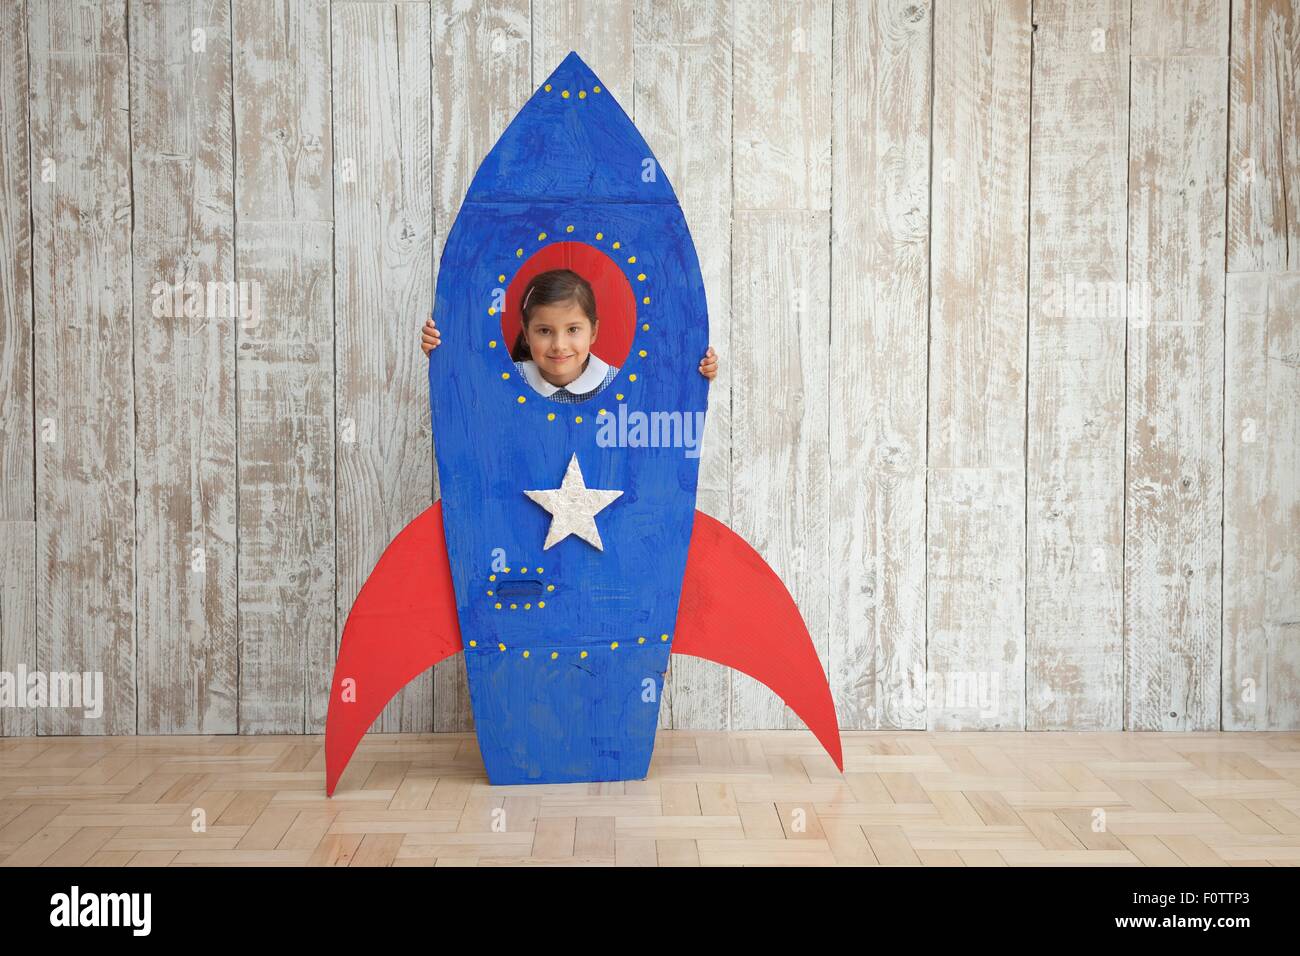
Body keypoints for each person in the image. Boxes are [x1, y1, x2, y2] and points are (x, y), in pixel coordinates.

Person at [421, 267, 718, 401]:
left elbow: (663, 397)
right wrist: (441, 350)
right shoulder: (508, 379)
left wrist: (697, 372)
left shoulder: (616, 383)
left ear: (594, 331)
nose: (559, 345)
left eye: (573, 329)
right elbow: (462, 384)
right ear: (525, 333)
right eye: (544, 331)